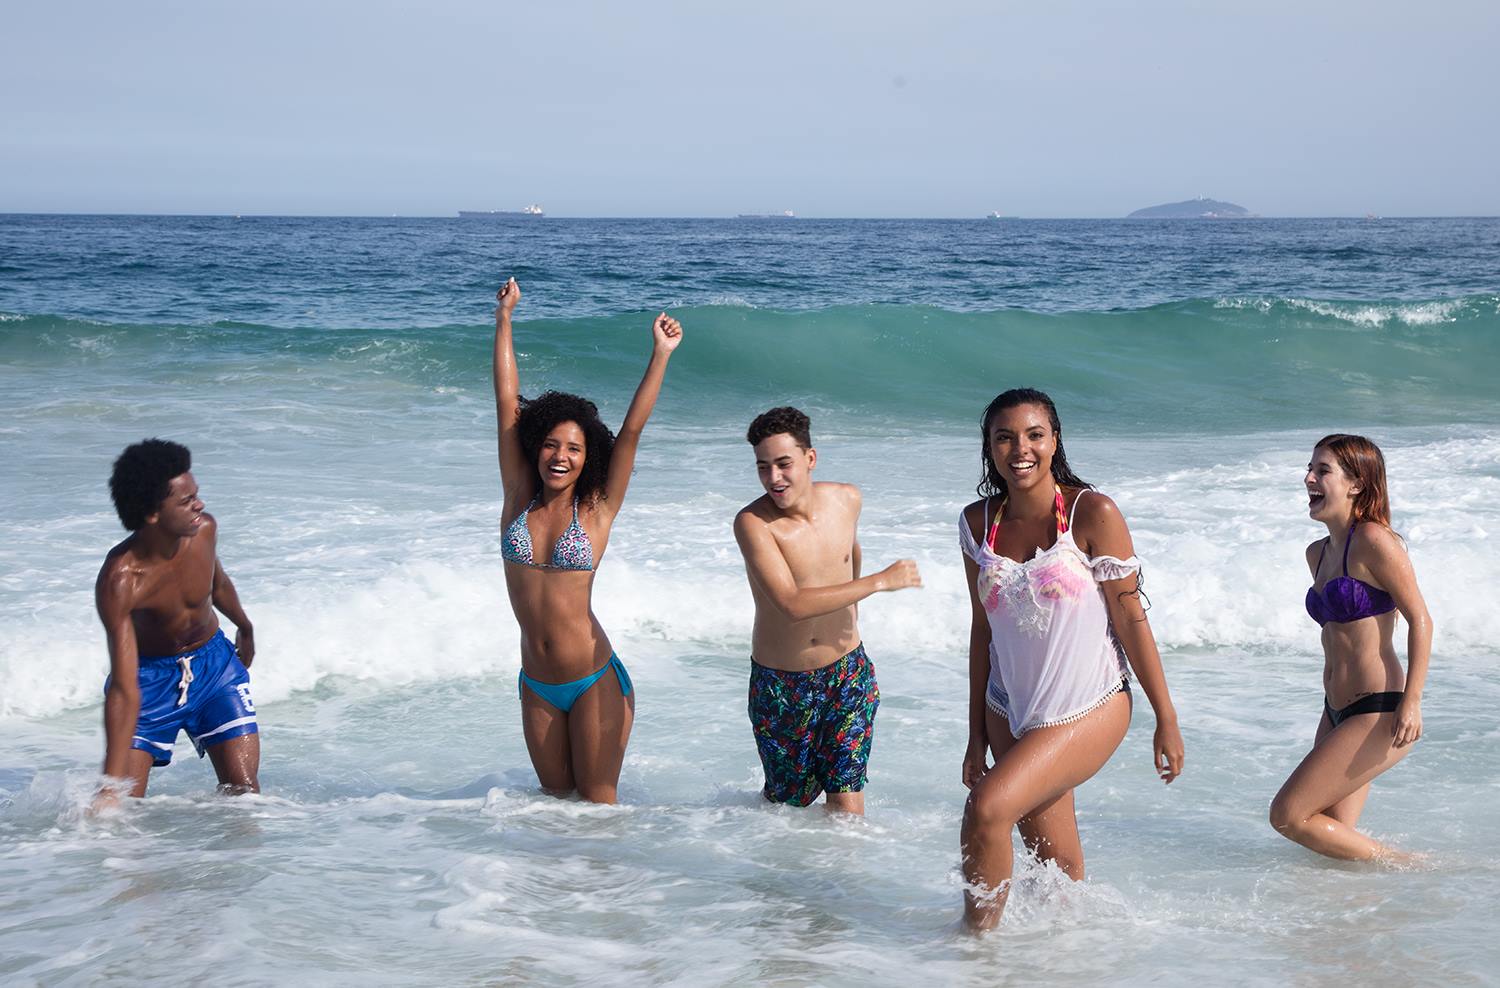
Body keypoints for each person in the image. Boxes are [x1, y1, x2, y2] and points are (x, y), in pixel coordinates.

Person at [957, 388, 1183, 930]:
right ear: (989, 447)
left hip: (1088, 706)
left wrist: (1166, 717)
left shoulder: (1091, 512)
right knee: (1057, 869)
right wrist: (975, 733)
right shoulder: (977, 522)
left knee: (986, 810)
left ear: (1054, 441)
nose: (1021, 449)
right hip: (1006, 707)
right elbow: (982, 630)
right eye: (1005, 437)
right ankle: (1065, 956)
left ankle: (972, 950)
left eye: (1034, 435)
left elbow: (1130, 618)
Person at [493, 278, 681, 804]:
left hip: (594, 678)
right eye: (551, 445)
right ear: (535, 447)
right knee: (555, 810)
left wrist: (661, 353)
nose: (560, 456)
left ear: (587, 456)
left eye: (573, 449)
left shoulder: (596, 510)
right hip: (537, 683)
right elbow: (506, 403)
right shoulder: (517, 498)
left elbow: (632, 431)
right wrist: (504, 319)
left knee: (599, 812)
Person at [733, 406, 921, 815]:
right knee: (786, 809)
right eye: (763, 467)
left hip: (848, 673)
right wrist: (879, 582)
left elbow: (849, 556)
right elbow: (791, 604)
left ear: (810, 458)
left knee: (846, 803)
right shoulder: (753, 524)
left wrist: (852, 617)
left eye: (784, 464)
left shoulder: (847, 499)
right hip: (783, 685)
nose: (774, 477)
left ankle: (848, 861)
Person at [1269, 434, 1432, 860]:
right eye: (1309, 469)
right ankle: (1369, 898)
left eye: (1322, 470)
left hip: (1379, 710)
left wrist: (1412, 701)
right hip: (1334, 711)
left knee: (1288, 816)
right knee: (1333, 842)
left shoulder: (1374, 541)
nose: (1309, 478)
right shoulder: (1317, 554)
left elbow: (1421, 620)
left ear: (1356, 484)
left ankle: (1410, 865)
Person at [93, 439, 260, 810]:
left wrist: (244, 626)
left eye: (196, 495)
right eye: (187, 501)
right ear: (152, 513)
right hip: (149, 683)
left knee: (245, 797)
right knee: (121, 810)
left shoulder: (204, 530)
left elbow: (217, 584)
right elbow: (124, 685)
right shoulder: (122, 579)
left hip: (215, 669)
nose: (199, 505)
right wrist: (109, 785)